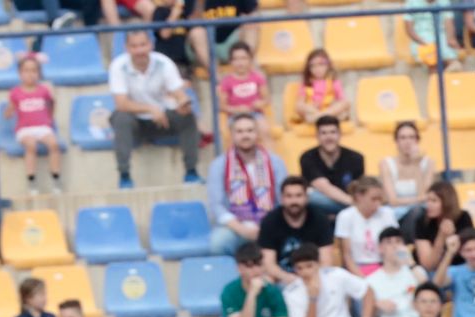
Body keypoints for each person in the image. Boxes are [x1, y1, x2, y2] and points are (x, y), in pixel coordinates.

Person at [108, 29, 201, 190]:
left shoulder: (164, 63)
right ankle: (124, 176)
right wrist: (151, 109)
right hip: (135, 122)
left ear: (150, 45)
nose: (139, 50)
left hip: (163, 119)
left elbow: (178, 92)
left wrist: (183, 103)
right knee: (120, 118)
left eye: (143, 45)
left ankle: (191, 171)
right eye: (134, 46)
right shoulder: (118, 66)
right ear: (127, 48)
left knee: (188, 118)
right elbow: (121, 103)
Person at [207, 114, 286, 257]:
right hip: (235, 226)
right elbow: (216, 206)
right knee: (218, 243)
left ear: (257, 134)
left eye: (250, 131)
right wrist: (241, 229)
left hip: (270, 222)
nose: (245, 135)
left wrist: (268, 225)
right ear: (232, 135)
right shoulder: (219, 165)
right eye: (240, 131)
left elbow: (283, 200)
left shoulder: (275, 162)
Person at [4, 53, 64, 195]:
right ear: (20, 73)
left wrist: (49, 119)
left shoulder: (44, 90)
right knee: (31, 145)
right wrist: (9, 110)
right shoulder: (15, 92)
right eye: (26, 71)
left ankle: (56, 178)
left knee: (53, 144)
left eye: (34, 71)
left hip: (42, 127)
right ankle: (31, 180)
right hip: (24, 129)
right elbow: (8, 112)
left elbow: (52, 104)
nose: (30, 74)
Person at [298, 116, 363, 221]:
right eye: (323, 133)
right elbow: (324, 187)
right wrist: (356, 205)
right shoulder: (307, 157)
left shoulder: (356, 158)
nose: (329, 137)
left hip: (349, 210)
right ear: (317, 136)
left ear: (340, 134)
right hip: (319, 209)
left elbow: (357, 189)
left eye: (333, 132)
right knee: (311, 196)